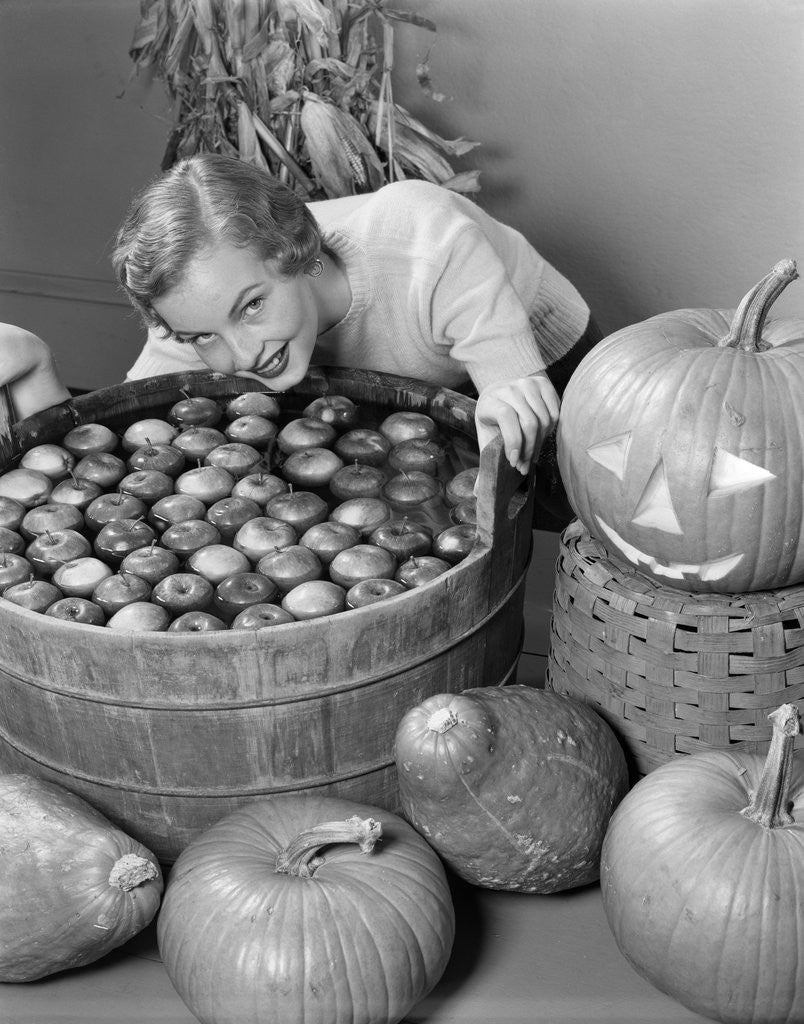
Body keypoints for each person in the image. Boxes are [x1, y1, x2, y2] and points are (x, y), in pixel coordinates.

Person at [2, 153, 600, 521]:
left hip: (535, 347)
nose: (242, 355)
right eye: (201, 336)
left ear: (302, 254)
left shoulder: (426, 243)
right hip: (394, 385)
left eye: (254, 306)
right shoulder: (202, 310)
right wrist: (35, 370)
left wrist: (508, 389)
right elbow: (121, 449)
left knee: (561, 503)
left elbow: (510, 386)